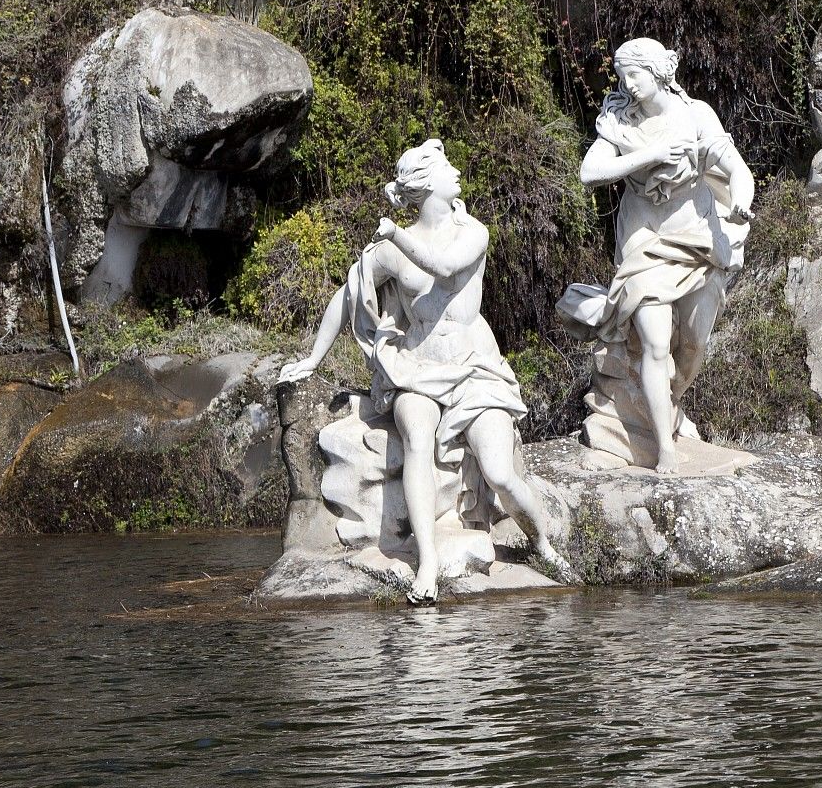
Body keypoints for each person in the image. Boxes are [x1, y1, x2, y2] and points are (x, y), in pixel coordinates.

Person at [281, 139, 575, 603]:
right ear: (424, 183)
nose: (457, 172)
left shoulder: (470, 231)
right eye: (446, 167)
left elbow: (444, 266)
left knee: (499, 471)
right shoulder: (391, 251)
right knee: (417, 434)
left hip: (475, 370)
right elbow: (348, 294)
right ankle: (429, 561)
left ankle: (541, 541)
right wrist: (313, 358)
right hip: (416, 368)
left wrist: (395, 236)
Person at [573, 37, 754, 472]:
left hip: (694, 235)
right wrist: (648, 154)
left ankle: (673, 406)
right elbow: (589, 172)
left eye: (634, 74)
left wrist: (742, 199)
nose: (626, 84)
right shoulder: (618, 121)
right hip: (644, 240)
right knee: (655, 343)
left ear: (658, 73)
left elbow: (737, 168)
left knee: (691, 343)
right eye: (621, 76)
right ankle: (664, 447)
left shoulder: (694, 116)